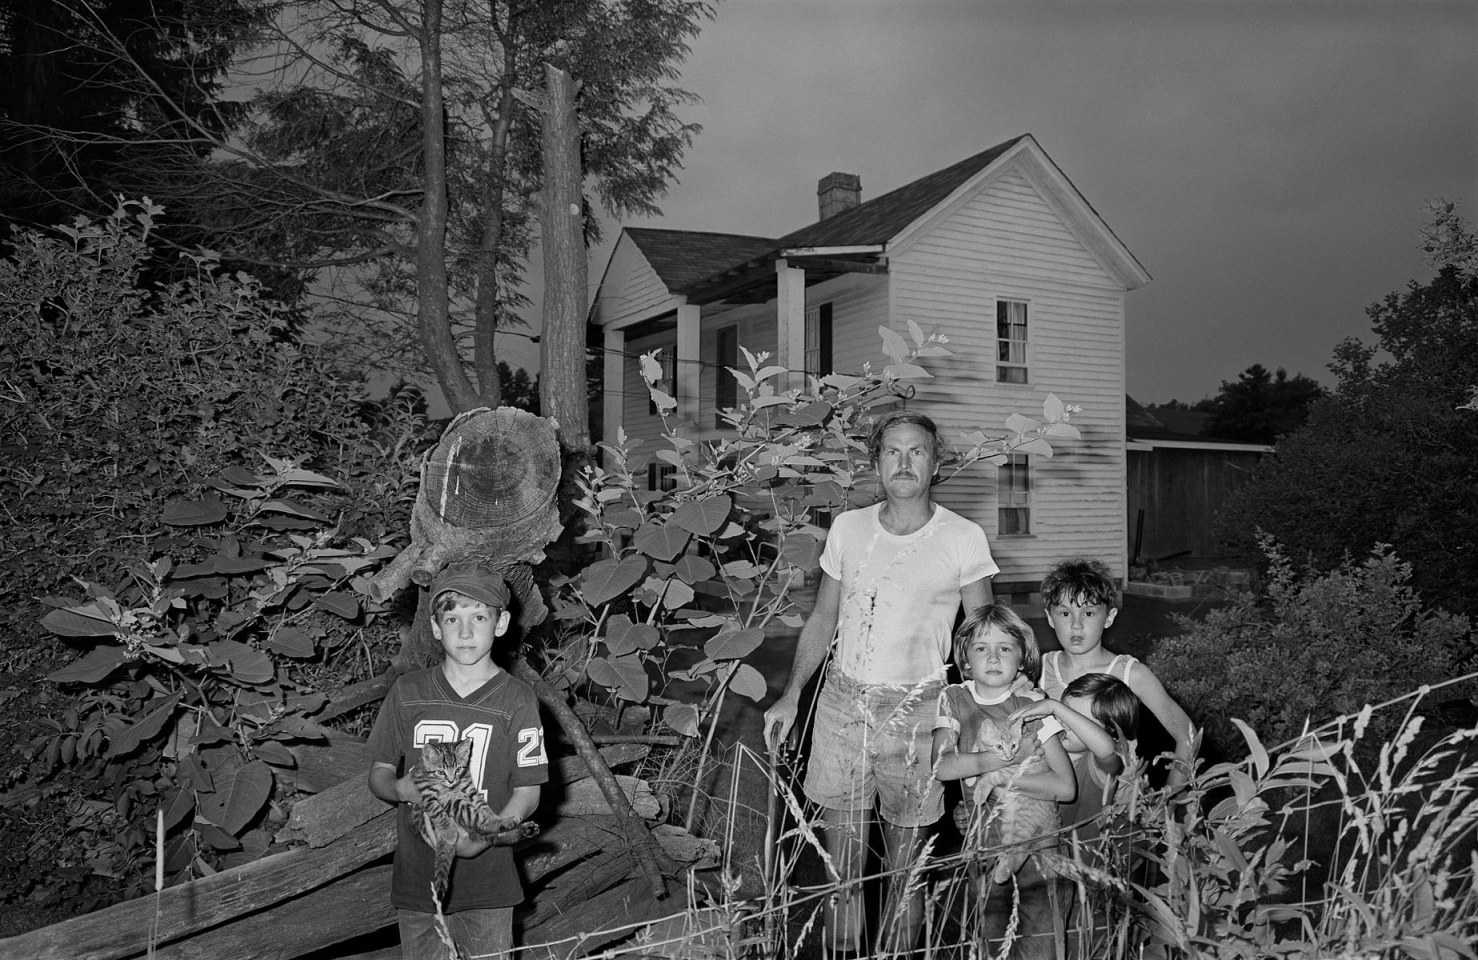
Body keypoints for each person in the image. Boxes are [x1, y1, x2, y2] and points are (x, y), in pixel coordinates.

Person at [763, 411, 998, 958]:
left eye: (917, 451)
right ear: (876, 464)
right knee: (839, 868)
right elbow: (823, 619)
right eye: (892, 451)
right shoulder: (849, 529)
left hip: (920, 712)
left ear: (936, 463)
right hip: (844, 705)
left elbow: (980, 639)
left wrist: (974, 720)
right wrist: (793, 693)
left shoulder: (963, 538)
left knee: (905, 868)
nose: (904, 462)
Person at [367, 561, 549, 960]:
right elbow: (379, 772)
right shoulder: (408, 691)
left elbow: (529, 792)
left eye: (479, 617)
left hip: (489, 883)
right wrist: (399, 788)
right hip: (419, 883)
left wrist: (482, 837)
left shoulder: (517, 699)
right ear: (435, 627)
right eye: (452, 618)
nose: (465, 632)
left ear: (500, 625)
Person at [933, 604, 1075, 960]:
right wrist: (1008, 757)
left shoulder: (1032, 703)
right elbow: (942, 766)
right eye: (981, 648)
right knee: (992, 940)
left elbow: (1065, 787)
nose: (993, 657)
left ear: (1022, 656)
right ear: (965, 658)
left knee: (1042, 940)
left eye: (1005, 648)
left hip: (1039, 837)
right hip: (983, 839)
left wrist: (1001, 783)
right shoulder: (953, 698)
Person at [1011, 674, 1144, 958]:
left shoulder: (1100, 769)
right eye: (1065, 710)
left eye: (1075, 718)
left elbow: (1109, 750)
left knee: (1083, 948)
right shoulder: (1043, 758)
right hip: (1043, 878)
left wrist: (1056, 708)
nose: (1062, 723)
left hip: (1090, 887)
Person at [1038, 558, 1195, 789]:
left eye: (1089, 613)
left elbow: (1187, 734)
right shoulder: (1038, 670)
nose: (1076, 625)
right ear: (1050, 617)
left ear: (1109, 617)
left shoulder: (1131, 674)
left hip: (1115, 812)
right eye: (1064, 613)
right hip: (1053, 809)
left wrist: (1172, 800)